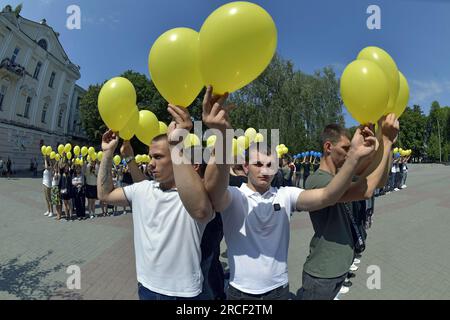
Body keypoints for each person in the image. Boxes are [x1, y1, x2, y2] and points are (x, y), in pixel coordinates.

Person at [201, 85, 377, 300]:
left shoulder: (285, 195)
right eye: (258, 164)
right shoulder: (234, 196)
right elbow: (213, 189)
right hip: (241, 294)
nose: (265, 170)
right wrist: (222, 135)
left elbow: (327, 195)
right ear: (246, 167)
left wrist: (354, 157)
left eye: (270, 164)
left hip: (279, 291)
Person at [97, 104, 214, 300]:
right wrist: (108, 152)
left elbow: (202, 211)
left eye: (158, 157)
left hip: (185, 294)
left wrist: (177, 142)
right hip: (147, 289)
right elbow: (104, 195)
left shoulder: (194, 194)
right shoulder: (143, 189)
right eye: (151, 156)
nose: (151, 163)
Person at [300, 115, 399, 300]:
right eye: (345, 148)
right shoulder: (316, 180)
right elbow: (366, 190)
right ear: (328, 147)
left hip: (338, 268)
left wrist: (388, 145)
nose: (348, 154)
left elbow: (379, 180)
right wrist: (384, 140)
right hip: (322, 273)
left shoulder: (340, 177)